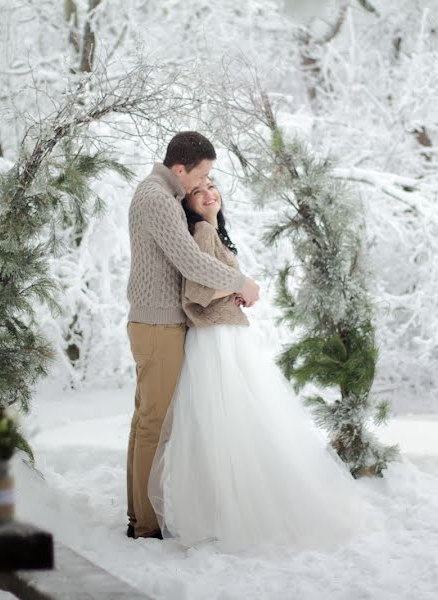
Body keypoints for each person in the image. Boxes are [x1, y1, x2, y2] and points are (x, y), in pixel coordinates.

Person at [148, 179, 365, 552]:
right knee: (229, 421)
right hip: (214, 339)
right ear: (189, 204)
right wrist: (239, 288)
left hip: (226, 335)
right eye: (199, 191)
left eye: (213, 187)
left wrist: (236, 290)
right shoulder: (200, 231)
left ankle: (229, 505)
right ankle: (226, 510)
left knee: (237, 421)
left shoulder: (213, 231)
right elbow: (195, 294)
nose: (209, 193)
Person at [125, 132, 261, 540]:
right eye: (200, 175)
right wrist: (241, 282)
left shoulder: (157, 195)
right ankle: (146, 525)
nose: (202, 185)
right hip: (159, 325)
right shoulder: (158, 198)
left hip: (155, 322)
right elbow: (192, 262)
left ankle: (140, 516)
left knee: (145, 422)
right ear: (180, 169)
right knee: (154, 426)